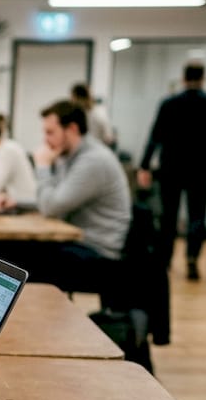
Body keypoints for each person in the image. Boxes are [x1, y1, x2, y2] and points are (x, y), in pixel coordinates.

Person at [137, 61, 206, 281]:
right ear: (203, 78)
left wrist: (144, 164)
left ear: (183, 78)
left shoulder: (169, 103)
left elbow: (155, 136)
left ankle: (164, 259)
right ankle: (192, 259)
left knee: (168, 215)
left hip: (171, 166)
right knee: (197, 215)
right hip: (200, 167)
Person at [28, 100, 131, 293]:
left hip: (99, 254)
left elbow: (51, 207)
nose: (45, 140)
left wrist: (42, 167)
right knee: (20, 253)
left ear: (72, 129)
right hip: (80, 243)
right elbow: (54, 198)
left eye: (50, 132)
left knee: (25, 259)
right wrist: (16, 203)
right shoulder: (70, 156)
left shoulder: (93, 160)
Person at [71, 82, 115, 149]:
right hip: (85, 149)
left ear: (80, 98)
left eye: (73, 98)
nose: (72, 101)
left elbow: (109, 138)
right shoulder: (81, 113)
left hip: (98, 150)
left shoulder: (99, 114)